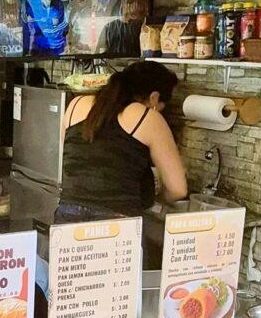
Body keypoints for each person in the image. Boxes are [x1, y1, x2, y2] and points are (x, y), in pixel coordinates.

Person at [57, 60, 187, 223]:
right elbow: (178, 189)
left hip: (68, 216)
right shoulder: (149, 117)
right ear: (154, 98)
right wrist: (155, 199)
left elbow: (74, 160)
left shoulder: (76, 104)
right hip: (118, 224)